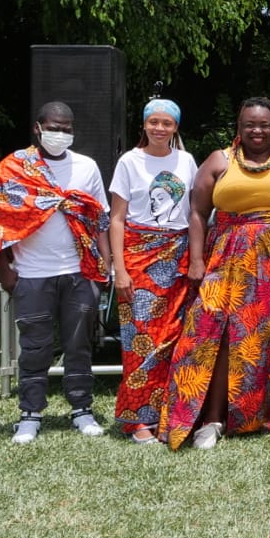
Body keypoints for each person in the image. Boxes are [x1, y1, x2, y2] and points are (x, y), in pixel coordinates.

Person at [162, 97, 270, 450]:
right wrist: (196, 260)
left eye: (264, 125)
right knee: (220, 337)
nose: (257, 130)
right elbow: (197, 213)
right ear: (239, 128)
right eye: (249, 124)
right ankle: (212, 419)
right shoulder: (218, 161)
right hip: (229, 259)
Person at [0, 102, 111, 445]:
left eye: (66, 128)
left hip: (79, 272)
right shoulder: (15, 167)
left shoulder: (86, 167)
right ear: (38, 128)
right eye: (54, 127)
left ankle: (82, 410)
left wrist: (104, 268)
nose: (60, 134)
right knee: (34, 347)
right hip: (31, 273)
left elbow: (98, 218)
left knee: (79, 345)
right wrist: (4, 271)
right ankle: (30, 414)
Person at [107, 96, 199, 443]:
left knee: (173, 340)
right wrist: (120, 270)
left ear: (176, 127)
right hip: (138, 257)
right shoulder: (129, 162)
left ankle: (165, 415)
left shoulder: (187, 161)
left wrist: (194, 258)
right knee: (139, 341)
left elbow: (194, 215)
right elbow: (116, 219)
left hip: (177, 259)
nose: (160, 129)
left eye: (167, 123)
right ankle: (135, 421)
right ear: (144, 125)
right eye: (154, 122)